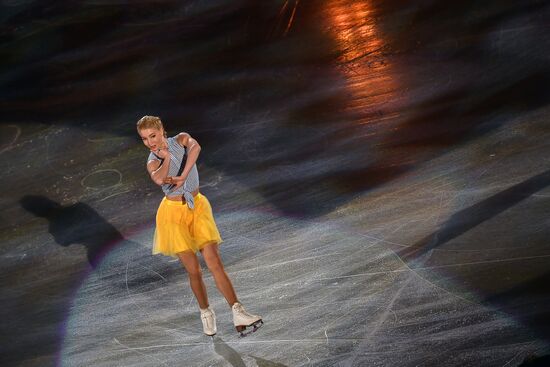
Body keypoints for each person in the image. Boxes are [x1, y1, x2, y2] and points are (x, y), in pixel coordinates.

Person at [136, 115, 263, 337]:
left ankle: (238, 311)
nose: (150, 142)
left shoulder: (181, 139)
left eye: (153, 135)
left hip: (198, 207)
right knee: (194, 270)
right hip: (173, 216)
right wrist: (166, 158)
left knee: (214, 262)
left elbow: (196, 148)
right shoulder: (153, 160)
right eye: (145, 139)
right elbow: (159, 179)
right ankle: (205, 312)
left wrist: (183, 175)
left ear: (162, 130)